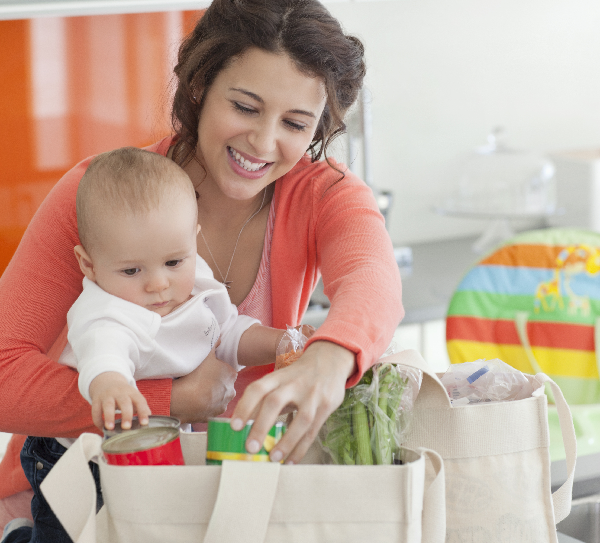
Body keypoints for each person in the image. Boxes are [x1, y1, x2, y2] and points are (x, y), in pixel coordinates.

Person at [0, 0, 403, 539]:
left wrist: (327, 358)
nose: (262, 142)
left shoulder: (323, 193)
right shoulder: (103, 193)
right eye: (244, 106)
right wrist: (174, 400)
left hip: (226, 497)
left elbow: (371, 279)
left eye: (294, 123)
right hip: (78, 484)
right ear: (198, 88)